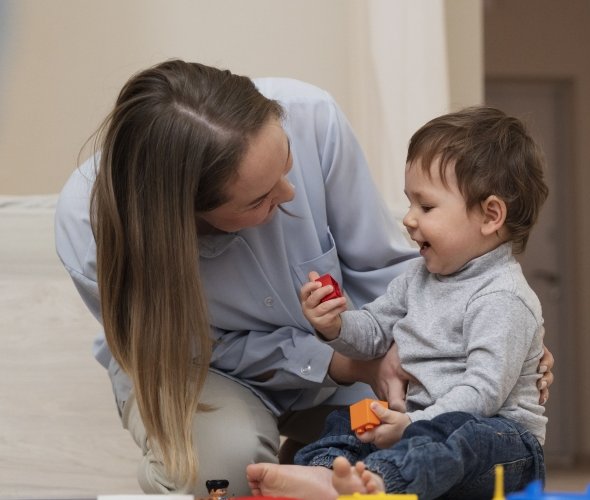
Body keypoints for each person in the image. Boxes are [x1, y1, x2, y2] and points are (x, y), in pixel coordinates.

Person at [53, 59, 555, 496]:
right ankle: (312, 470)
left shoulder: (311, 116)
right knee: (226, 469)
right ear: (189, 215)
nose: (291, 193)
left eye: (287, 165)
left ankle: (329, 471)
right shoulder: (89, 231)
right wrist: (340, 352)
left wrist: (480, 345)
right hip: (198, 366)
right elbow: (185, 348)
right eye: (260, 199)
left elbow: (388, 275)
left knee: (421, 441)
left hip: (432, 412)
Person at [246, 106, 548, 500]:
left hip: (501, 444)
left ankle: (379, 481)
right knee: (344, 423)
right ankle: (326, 475)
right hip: (419, 428)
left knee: (463, 436)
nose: (408, 219)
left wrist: (411, 424)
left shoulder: (503, 296)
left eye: (425, 207)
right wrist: (333, 326)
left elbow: (482, 394)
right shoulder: (418, 278)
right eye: (409, 204)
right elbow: (372, 334)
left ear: (490, 215)